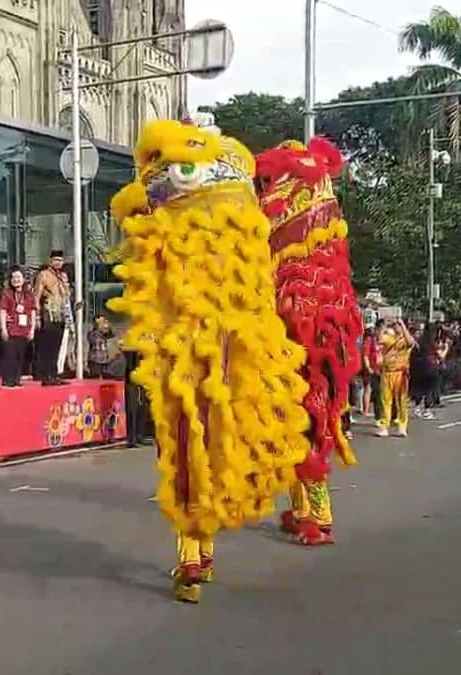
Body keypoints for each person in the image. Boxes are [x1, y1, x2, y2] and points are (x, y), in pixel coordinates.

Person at [106, 118, 311, 603]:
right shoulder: (179, 275)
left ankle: (196, 555)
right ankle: (195, 554)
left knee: (198, 449)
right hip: (188, 366)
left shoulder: (232, 300)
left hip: (212, 367)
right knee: (188, 450)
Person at [256, 136, 364, 546]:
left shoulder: (299, 253)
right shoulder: (322, 230)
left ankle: (319, 517)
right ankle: (304, 511)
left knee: (308, 431)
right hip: (316, 340)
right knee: (299, 432)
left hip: (308, 346)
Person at [33, 250, 70, 386]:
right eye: (55, 260)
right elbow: (36, 296)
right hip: (48, 314)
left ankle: (54, 374)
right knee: (47, 347)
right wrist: (36, 316)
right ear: (50, 261)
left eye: (60, 260)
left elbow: (66, 295)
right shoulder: (43, 275)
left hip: (61, 314)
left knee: (57, 346)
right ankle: (46, 376)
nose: (58, 263)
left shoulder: (64, 276)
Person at [0, 266, 35, 387]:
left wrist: (32, 329)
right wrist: (3, 328)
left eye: (18, 277)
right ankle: (8, 381)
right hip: (11, 328)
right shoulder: (6, 293)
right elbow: (2, 310)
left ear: (23, 279)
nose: (15, 280)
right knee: (10, 355)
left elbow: (33, 311)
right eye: (13, 277)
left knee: (20, 355)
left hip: (24, 329)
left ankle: (17, 379)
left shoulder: (29, 294)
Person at [376, 318, 413, 436]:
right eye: (395, 325)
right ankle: (384, 426)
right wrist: (384, 326)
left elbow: (411, 342)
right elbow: (380, 339)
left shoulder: (405, 339)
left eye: (398, 325)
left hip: (400, 374)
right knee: (385, 401)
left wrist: (403, 325)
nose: (396, 327)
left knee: (401, 401)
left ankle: (402, 426)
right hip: (386, 373)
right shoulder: (390, 338)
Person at [86, 314, 120, 379]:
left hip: (107, 361)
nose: (103, 323)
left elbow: (112, 338)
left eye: (104, 321)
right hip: (95, 361)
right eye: (101, 322)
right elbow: (96, 339)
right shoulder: (93, 334)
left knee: (107, 381)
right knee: (95, 380)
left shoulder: (109, 333)